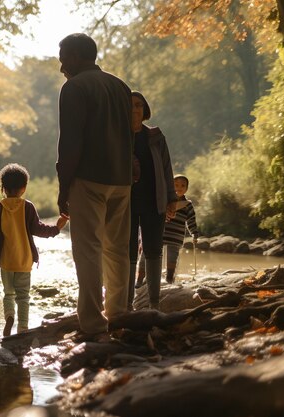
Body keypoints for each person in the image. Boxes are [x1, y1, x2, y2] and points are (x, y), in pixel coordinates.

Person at [56, 33, 133, 341]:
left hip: (88, 179)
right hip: (122, 179)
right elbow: (129, 135)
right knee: (117, 249)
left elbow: (71, 142)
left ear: (75, 55)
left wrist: (64, 187)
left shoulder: (74, 88)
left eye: (63, 57)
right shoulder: (120, 87)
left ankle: (92, 322)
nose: (61, 64)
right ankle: (119, 315)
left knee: (88, 250)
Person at [0, 163, 67, 336]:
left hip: (6, 260)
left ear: (3, 188)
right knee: (23, 297)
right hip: (24, 260)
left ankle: (9, 316)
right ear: (24, 188)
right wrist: (57, 228)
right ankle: (23, 328)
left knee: (8, 294)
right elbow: (39, 229)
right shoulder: (28, 207)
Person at [127, 91, 178, 310]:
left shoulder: (156, 136)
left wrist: (171, 198)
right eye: (130, 106)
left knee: (154, 250)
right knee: (127, 252)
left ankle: (154, 305)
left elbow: (167, 169)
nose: (135, 109)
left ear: (145, 109)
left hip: (153, 201)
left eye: (139, 105)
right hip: (125, 204)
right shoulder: (117, 137)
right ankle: (127, 304)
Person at [136, 174, 198, 286]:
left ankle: (169, 279)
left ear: (186, 189)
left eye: (183, 185)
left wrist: (194, 233)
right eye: (176, 185)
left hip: (176, 236)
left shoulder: (187, 205)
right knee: (148, 253)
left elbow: (191, 220)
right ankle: (140, 279)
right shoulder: (164, 200)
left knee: (172, 258)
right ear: (170, 186)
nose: (179, 188)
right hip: (160, 233)